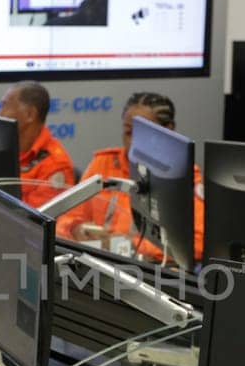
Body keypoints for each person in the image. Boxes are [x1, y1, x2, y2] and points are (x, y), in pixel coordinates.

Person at [54, 92, 204, 264]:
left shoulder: (184, 178)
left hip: (148, 270)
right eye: (128, 132)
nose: (133, 143)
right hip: (97, 263)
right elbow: (66, 218)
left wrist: (126, 245)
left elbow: (197, 244)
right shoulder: (104, 163)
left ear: (168, 130)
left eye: (141, 134)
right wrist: (76, 228)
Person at [0, 81, 77, 210]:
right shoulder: (2, 147)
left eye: (5, 106)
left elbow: (34, 222)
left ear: (30, 114)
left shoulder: (55, 165)